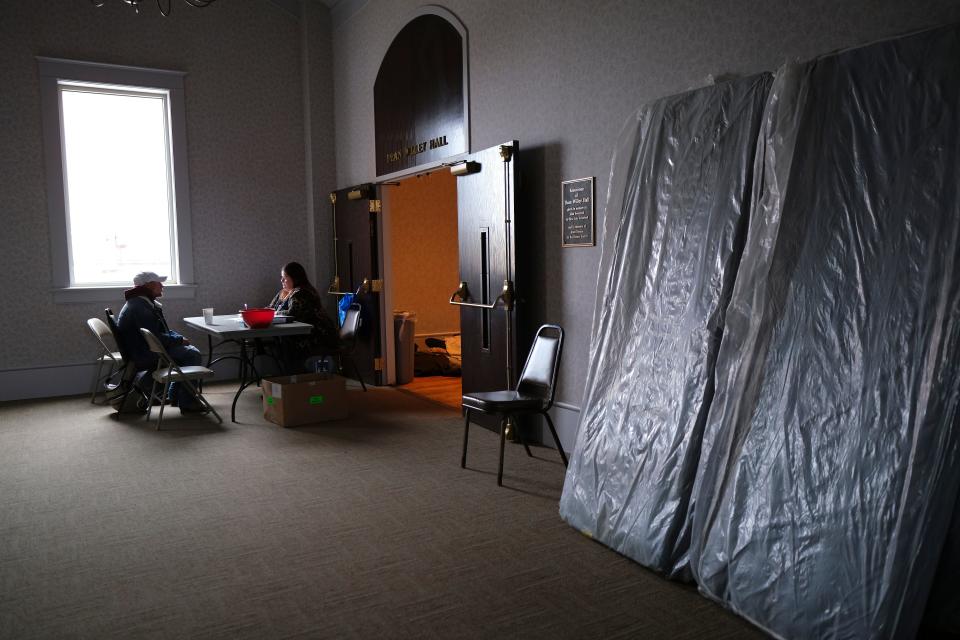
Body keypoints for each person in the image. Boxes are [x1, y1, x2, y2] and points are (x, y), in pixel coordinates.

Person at [116, 271, 205, 412]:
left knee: (187, 352)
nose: (162, 286)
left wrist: (178, 338)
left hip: (143, 349)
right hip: (145, 353)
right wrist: (179, 340)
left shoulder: (139, 302)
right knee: (192, 354)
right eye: (159, 283)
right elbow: (155, 337)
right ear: (149, 285)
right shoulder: (140, 307)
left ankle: (176, 396)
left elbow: (159, 332)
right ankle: (186, 401)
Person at [268, 261, 340, 372]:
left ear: (295, 278)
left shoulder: (302, 292)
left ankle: (295, 377)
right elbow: (270, 308)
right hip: (302, 333)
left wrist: (275, 313)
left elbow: (292, 314)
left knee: (285, 343)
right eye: (281, 277)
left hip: (316, 335)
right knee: (280, 342)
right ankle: (291, 377)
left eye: (285, 277)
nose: (281, 280)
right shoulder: (285, 292)